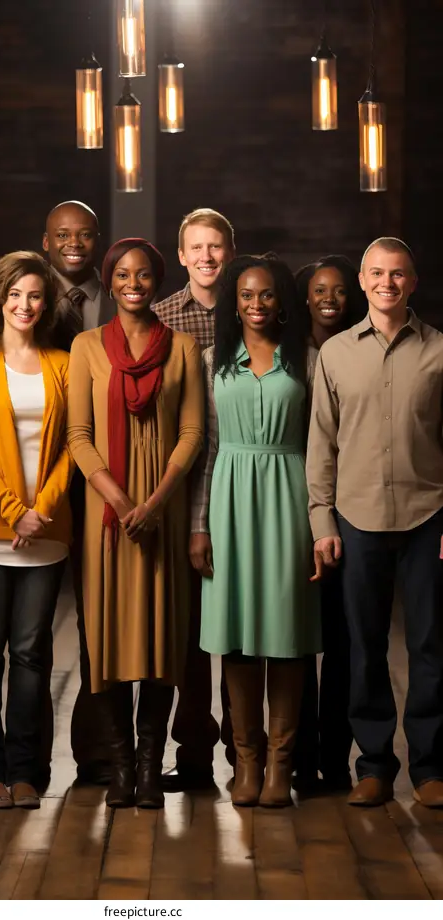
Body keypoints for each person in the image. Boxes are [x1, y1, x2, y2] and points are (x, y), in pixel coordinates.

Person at [67, 238, 204, 809]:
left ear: (157, 281)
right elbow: (78, 437)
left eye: (143, 275)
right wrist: (123, 503)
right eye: (121, 274)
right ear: (110, 278)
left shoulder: (184, 349)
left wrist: (154, 504)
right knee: (109, 640)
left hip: (162, 518)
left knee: (160, 640)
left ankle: (151, 766)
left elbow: (192, 434)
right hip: (109, 520)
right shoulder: (86, 347)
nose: (132, 283)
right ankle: (120, 766)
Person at [308, 237, 443, 809]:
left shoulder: (440, 352)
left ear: (413, 282)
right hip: (355, 518)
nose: (388, 282)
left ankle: (433, 769)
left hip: (428, 517)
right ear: (363, 281)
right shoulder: (335, 354)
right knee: (362, 647)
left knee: (431, 646)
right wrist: (322, 523)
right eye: (378, 273)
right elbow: (322, 444)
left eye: (399, 274)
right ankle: (374, 766)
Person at [191, 254, 322, 808]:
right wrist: (200, 526)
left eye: (266, 294)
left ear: (281, 301)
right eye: (245, 295)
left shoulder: (310, 360)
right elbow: (206, 450)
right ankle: (245, 760)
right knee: (237, 636)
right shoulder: (210, 361)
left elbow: (322, 448)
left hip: (291, 494)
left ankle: (280, 767)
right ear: (233, 302)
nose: (256, 304)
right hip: (229, 500)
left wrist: (322, 523)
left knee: (288, 636)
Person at [0, 251, 72, 809]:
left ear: (45, 304)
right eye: (16, 295)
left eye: (35, 296)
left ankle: (27, 770)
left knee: (31, 653)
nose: (25, 305)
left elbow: (74, 446)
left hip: (46, 531)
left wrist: (38, 511)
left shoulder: (62, 363)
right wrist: (11, 510)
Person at [153, 207, 236, 791]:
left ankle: (246, 749)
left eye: (216, 247)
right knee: (186, 634)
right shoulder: (159, 319)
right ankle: (196, 757)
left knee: (237, 625)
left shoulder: (252, 307)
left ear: (229, 252)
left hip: (241, 485)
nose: (206, 257)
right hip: (182, 491)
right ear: (181, 256)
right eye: (195, 248)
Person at [43, 200, 115, 785]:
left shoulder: (118, 294)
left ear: (98, 240)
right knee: (32, 629)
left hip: (104, 475)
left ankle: (98, 752)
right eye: (62, 235)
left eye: (84, 234)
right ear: (46, 242)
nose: (74, 243)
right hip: (42, 476)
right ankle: (27, 760)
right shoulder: (27, 298)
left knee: (99, 620)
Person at [293, 255, 365, 793]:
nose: (330, 298)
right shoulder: (292, 356)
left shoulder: (360, 350)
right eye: (319, 289)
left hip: (352, 510)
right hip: (293, 507)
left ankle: (336, 758)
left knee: (342, 639)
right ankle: (298, 756)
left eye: (339, 290)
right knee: (297, 638)